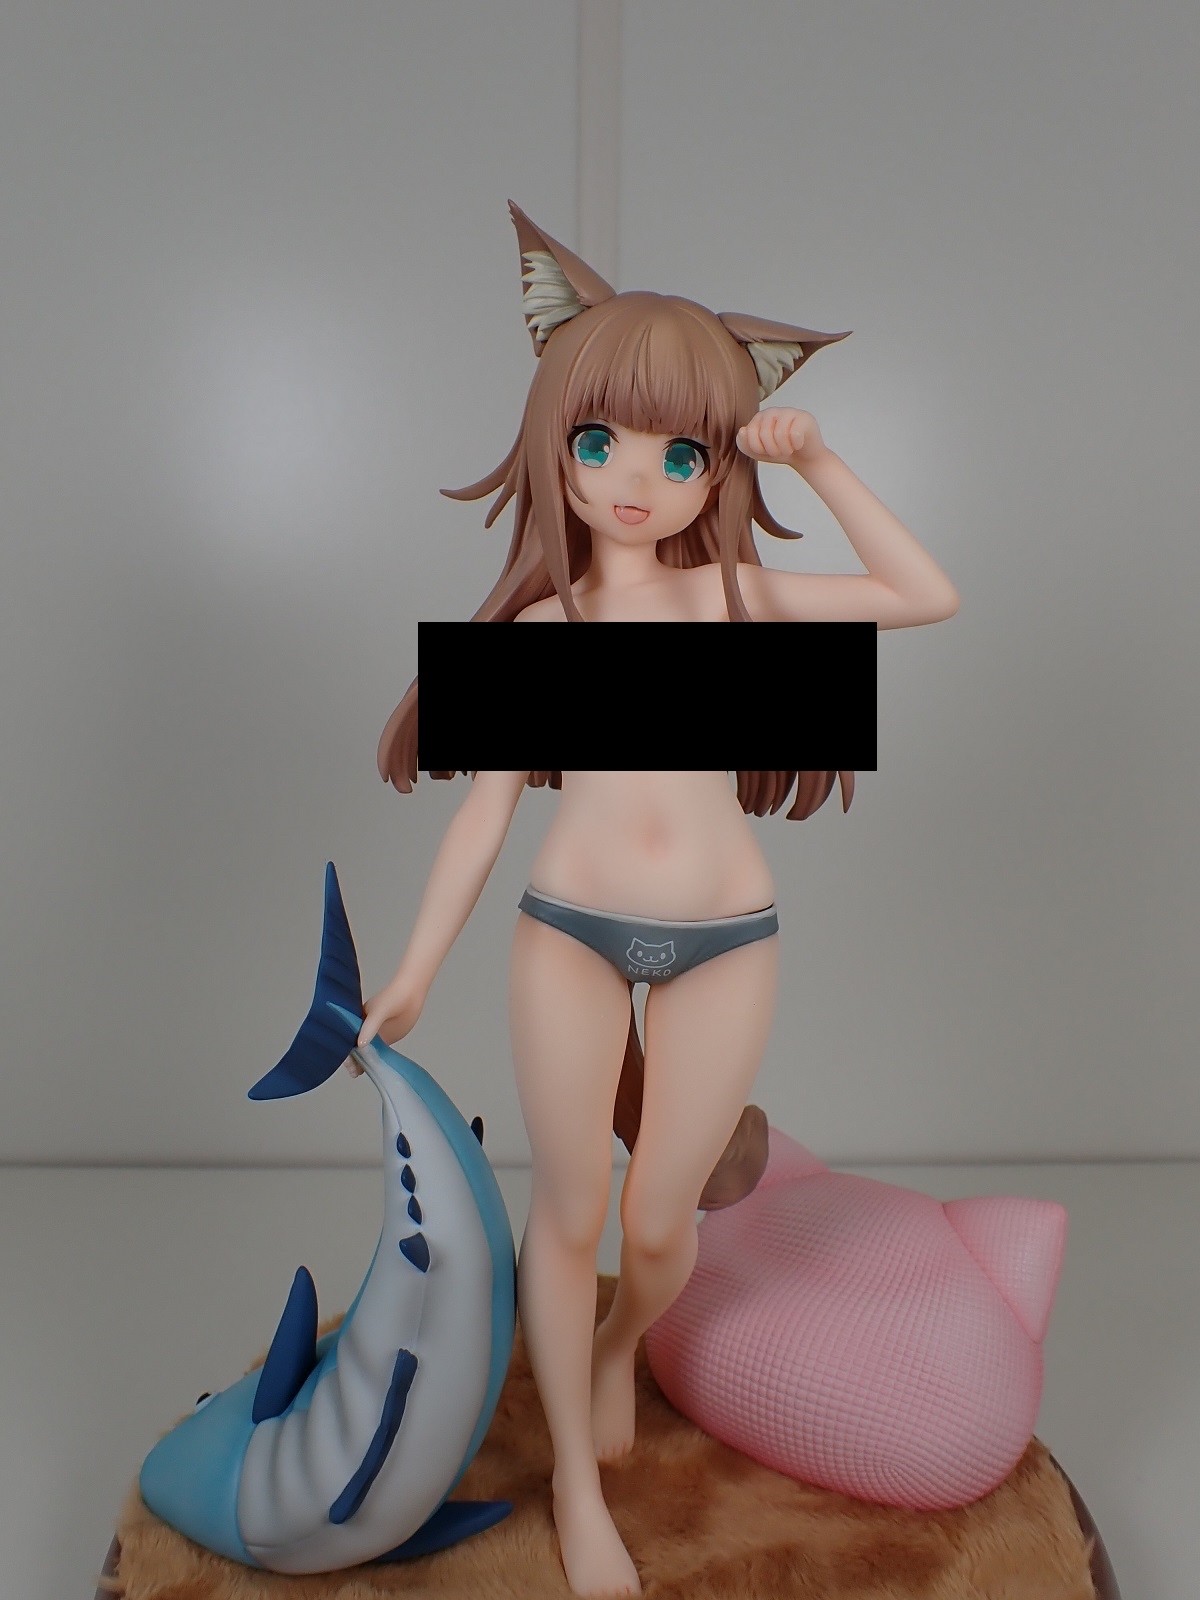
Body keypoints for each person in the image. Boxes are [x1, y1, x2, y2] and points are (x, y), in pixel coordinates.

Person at [352, 206, 957, 1596]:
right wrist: (417, 967)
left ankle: (622, 1346)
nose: (636, 479)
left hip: (726, 940)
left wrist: (821, 459)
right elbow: (484, 815)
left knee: (660, 1225)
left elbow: (925, 593)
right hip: (566, 932)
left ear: (720, 467)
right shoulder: (538, 633)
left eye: (682, 453)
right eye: (601, 441)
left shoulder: (740, 598)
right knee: (569, 1214)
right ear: (554, 440)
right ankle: (576, 1478)